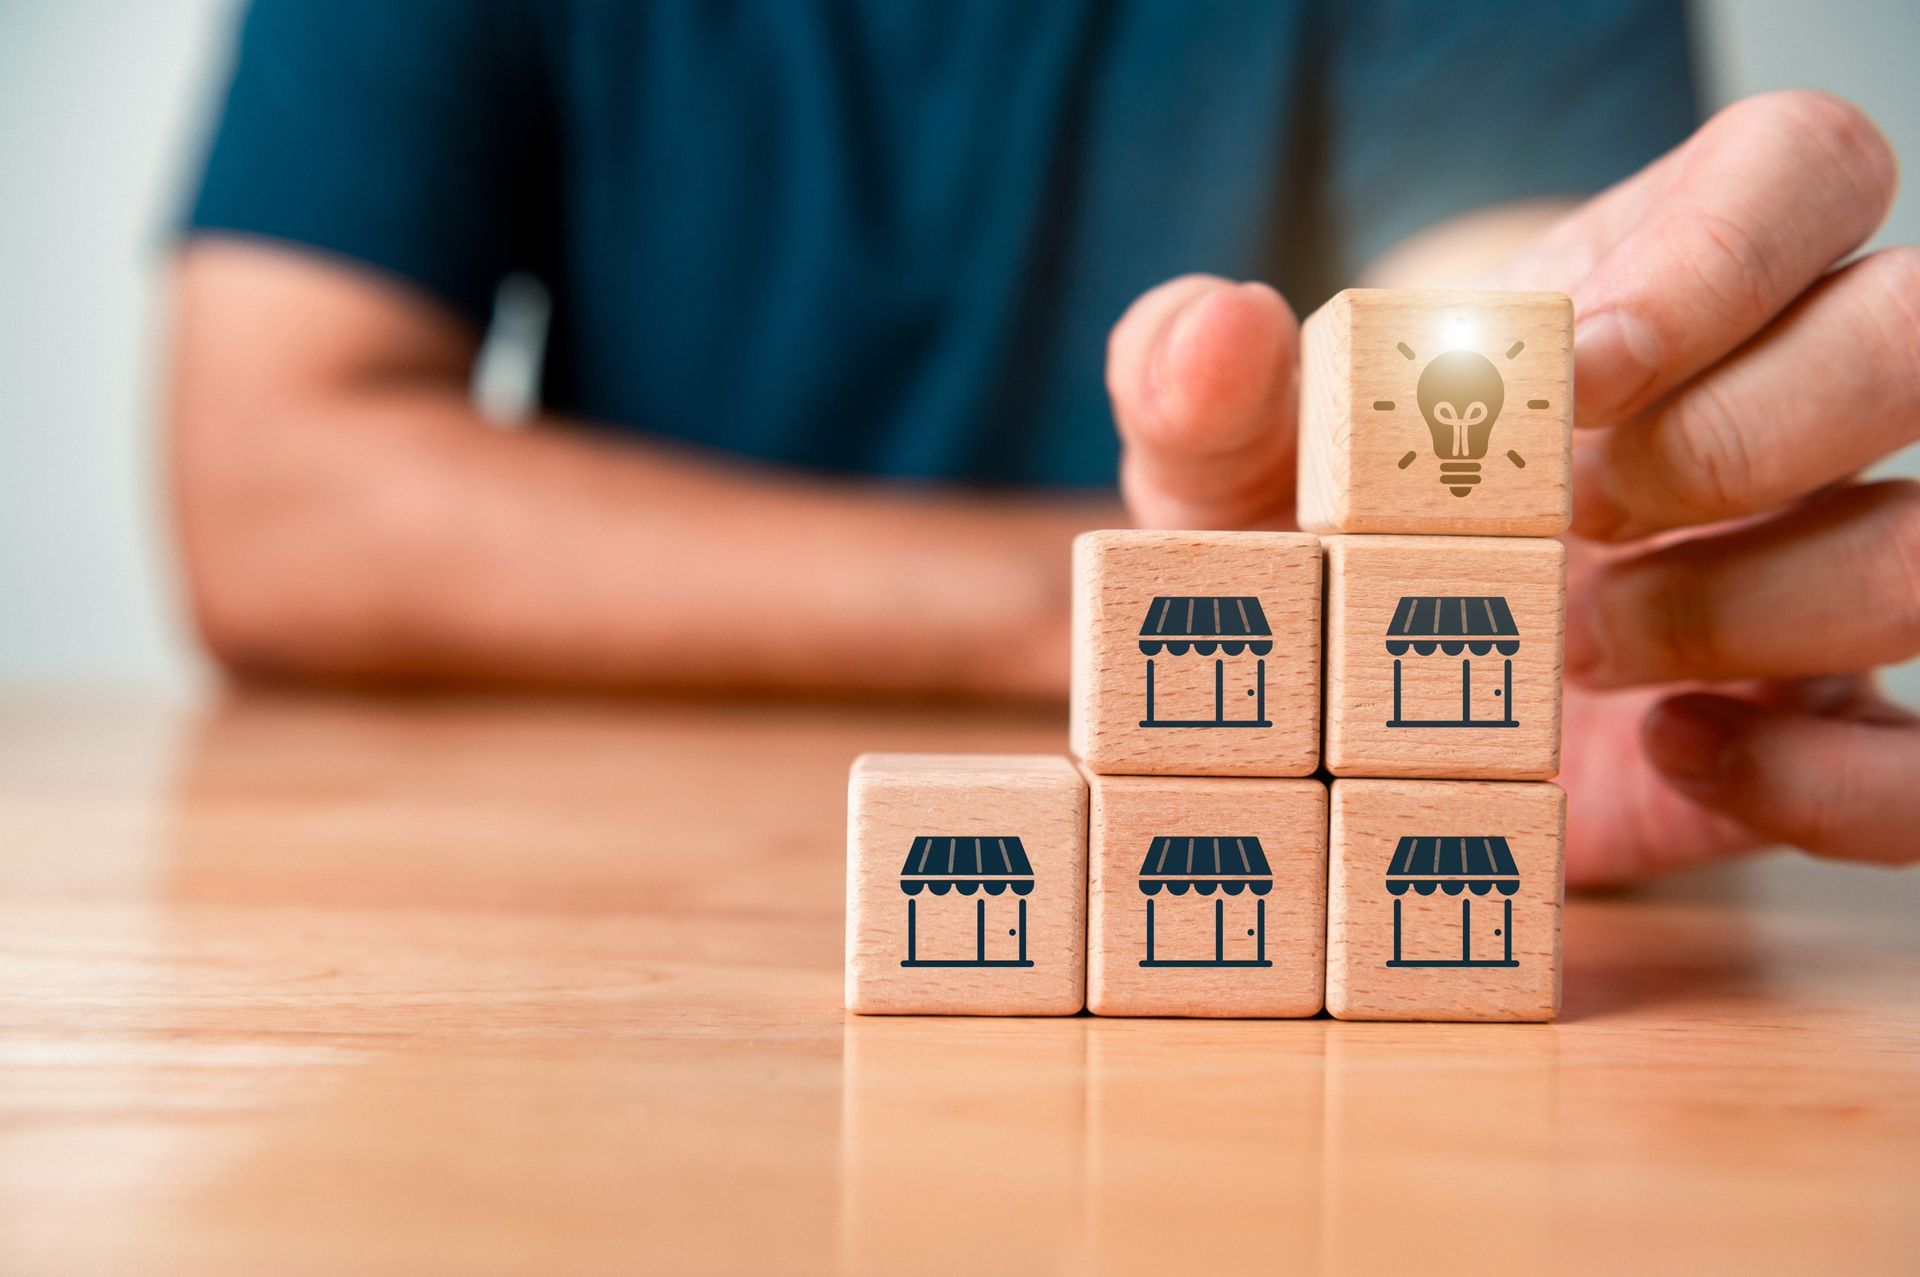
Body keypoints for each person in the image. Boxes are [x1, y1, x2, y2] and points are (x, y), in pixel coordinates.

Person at [170, 1, 1919, 880]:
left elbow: (1498, 314)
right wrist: (1173, 614)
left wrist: (1572, 516)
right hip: (579, 901)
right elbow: (273, 486)